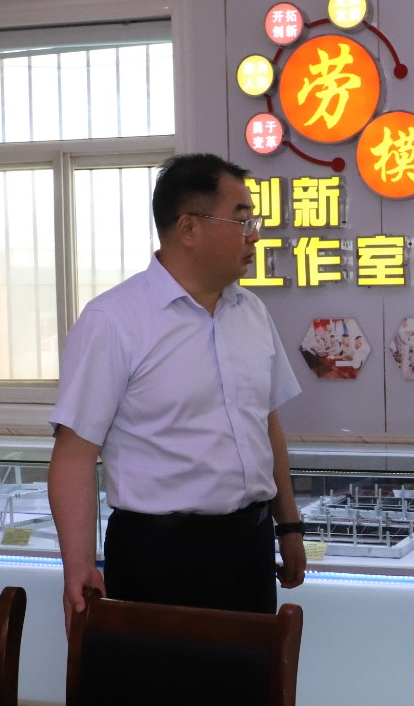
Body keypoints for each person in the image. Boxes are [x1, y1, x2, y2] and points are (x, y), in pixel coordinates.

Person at [48, 153, 308, 626]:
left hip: (249, 548)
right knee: (160, 675)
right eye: (242, 221)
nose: (254, 235)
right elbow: (74, 455)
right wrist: (79, 564)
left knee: (250, 675)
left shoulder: (251, 312)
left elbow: (266, 423)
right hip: (158, 555)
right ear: (189, 228)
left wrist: (288, 526)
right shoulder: (114, 320)